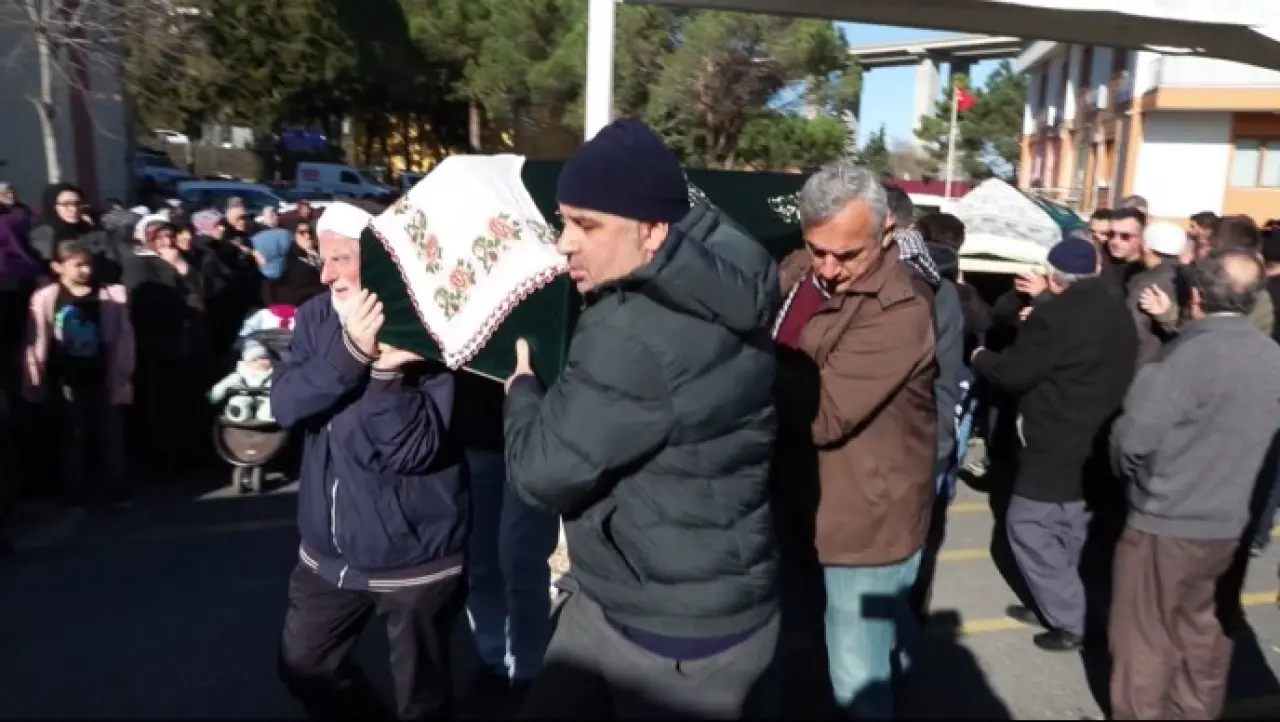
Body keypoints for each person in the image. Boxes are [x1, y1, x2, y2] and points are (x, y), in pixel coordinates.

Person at [502, 117, 781, 719]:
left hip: (670, 635)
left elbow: (539, 474)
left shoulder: (631, 334)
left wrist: (522, 390)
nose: (564, 243)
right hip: (646, 593)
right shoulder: (727, 272)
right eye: (563, 221)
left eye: (586, 225)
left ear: (652, 231)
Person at [271, 201, 468, 721]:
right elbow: (285, 404)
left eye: (341, 259)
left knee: (423, 703)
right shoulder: (316, 316)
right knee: (305, 665)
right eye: (323, 260)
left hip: (414, 555)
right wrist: (352, 355)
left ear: (382, 260)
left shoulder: (424, 324)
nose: (327, 275)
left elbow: (414, 450)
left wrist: (386, 376)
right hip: (326, 553)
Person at [773, 161, 936, 718]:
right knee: (819, 657)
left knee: (857, 681)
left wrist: (742, 365)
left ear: (886, 231)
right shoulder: (800, 270)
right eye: (817, 249)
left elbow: (825, 415)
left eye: (847, 255)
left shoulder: (901, 309)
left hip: (865, 528)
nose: (829, 268)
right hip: (803, 506)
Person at [1109, 249, 1280, 720]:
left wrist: (1139, 485)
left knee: (1146, 638)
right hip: (1232, 524)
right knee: (1206, 637)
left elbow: (1130, 441)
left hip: (1167, 522)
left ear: (1197, 296)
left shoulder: (1183, 357)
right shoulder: (1272, 357)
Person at [972, 234, 1137, 652]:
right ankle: (1055, 599)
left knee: (1027, 526)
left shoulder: (1056, 316)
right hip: (1099, 433)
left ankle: (1069, 618)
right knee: (1070, 528)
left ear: (1052, 276)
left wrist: (979, 357)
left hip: (1055, 437)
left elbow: (1013, 373)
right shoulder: (1117, 309)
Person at [22, 241, 134, 504]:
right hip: (66, 377)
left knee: (110, 433)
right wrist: (35, 377)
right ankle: (75, 489)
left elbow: (124, 338)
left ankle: (115, 486)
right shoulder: (46, 297)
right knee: (73, 433)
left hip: (103, 373)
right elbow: (36, 339)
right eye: (77, 265)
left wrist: (123, 372)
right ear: (57, 266)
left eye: (88, 264)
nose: (85, 270)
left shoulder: (110, 295)